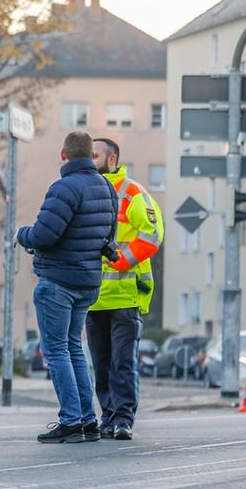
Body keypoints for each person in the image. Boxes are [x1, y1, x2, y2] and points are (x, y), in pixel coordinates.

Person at [15, 131, 118, 444]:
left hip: (59, 281)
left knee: (57, 349)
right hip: (88, 281)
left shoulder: (63, 188)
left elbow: (45, 235)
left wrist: (23, 235)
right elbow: (108, 235)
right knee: (74, 348)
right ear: (90, 154)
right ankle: (87, 421)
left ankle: (70, 420)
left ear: (64, 155)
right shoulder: (107, 188)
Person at [87, 138, 164, 441]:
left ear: (111, 159)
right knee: (101, 364)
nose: (88, 158)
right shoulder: (85, 190)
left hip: (125, 295)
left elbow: (152, 233)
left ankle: (123, 419)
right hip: (93, 297)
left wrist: (119, 261)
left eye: (94, 155)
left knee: (122, 362)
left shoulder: (131, 192)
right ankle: (107, 417)